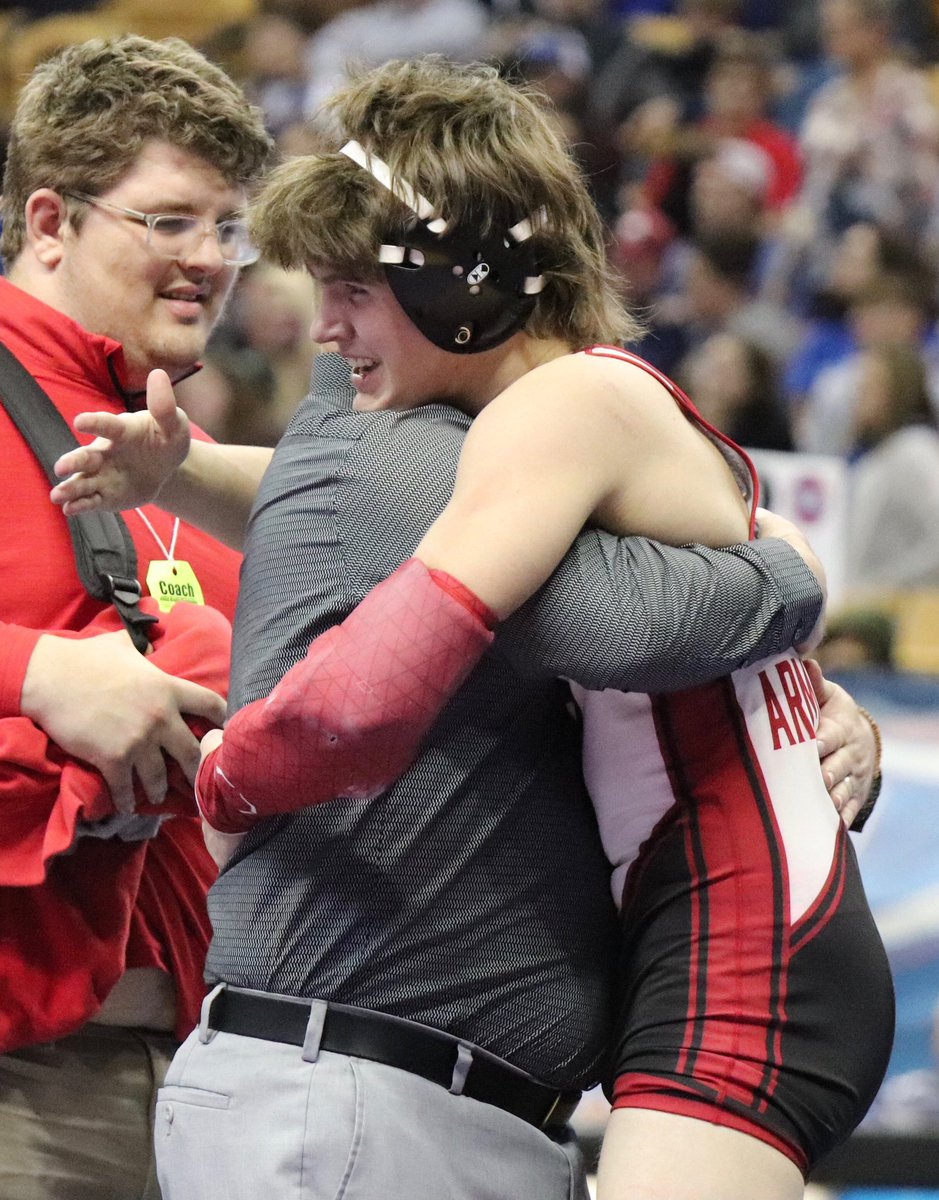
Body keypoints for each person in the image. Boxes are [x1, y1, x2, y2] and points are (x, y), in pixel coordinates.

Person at [54, 61, 884, 1200]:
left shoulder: (557, 413)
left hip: (739, 949)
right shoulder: (573, 409)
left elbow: (389, 680)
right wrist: (185, 469)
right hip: (727, 929)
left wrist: (231, 778)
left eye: (352, 288)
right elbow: (389, 508)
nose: (326, 329)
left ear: (464, 283)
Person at [0, 34, 273, 1200]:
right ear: (51, 222)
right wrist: (37, 676)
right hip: (25, 1086)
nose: (208, 258)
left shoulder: (191, 463)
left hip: (204, 1085)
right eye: (169, 221)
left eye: (228, 227)